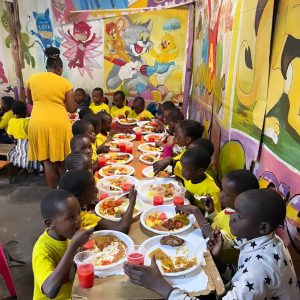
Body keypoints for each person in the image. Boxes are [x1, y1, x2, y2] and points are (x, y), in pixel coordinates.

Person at [124, 189, 299, 300]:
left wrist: (161, 286)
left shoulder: (260, 269)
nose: (231, 217)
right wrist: (219, 261)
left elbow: (251, 277)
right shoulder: (266, 241)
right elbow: (240, 278)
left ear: (263, 227)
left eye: (239, 215)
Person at [26, 47, 77, 189]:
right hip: (58, 122)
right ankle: (67, 192)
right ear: (59, 68)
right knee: (61, 161)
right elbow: (71, 108)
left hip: (37, 122)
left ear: (47, 67)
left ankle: (54, 194)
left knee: (47, 162)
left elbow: (30, 101)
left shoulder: (32, 79)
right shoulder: (65, 83)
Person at [32, 189, 93, 299]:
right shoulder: (42, 250)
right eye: (70, 217)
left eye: (79, 213)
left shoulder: (68, 234)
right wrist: (74, 246)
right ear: (50, 224)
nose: (79, 220)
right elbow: (49, 290)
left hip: (73, 293)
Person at [177, 169, 259, 249]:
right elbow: (219, 223)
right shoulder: (231, 208)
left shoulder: (240, 225)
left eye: (226, 194)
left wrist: (195, 211)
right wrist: (211, 211)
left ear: (241, 199)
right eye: (222, 190)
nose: (221, 194)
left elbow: (214, 240)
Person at [58, 170, 137, 233]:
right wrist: (132, 202)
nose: (96, 190)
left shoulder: (61, 212)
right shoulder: (84, 218)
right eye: (93, 189)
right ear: (79, 200)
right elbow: (121, 229)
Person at [180, 147, 221, 212]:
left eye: (185, 170)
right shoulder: (189, 176)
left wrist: (192, 202)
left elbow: (215, 216)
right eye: (182, 168)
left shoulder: (212, 190)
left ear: (200, 171)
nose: (181, 172)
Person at [7, 101, 41, 170]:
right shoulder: (28, 122)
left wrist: (15, 141)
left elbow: (10, 135)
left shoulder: (11, 121)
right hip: (31, 147)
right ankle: (36, 167)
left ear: (13, 112)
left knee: (11, 152)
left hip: (20, 147)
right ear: (25, 111)